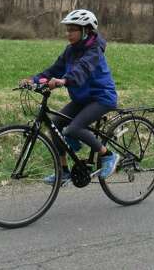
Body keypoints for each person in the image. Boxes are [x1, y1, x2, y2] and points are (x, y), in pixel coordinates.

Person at [20, 9, 120, 183]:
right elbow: (53, 70)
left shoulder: (95, 50)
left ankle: (108, 155)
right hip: (82, 100)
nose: (68, 34)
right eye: (67, 30)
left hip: (102, 98)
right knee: (55, 124)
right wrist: (34, 80)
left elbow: (82, 69)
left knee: (74, 128)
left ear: (86, 31)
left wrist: (64, 80)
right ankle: (63, 171)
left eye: (72, 30)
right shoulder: (70, 51)